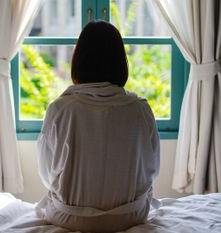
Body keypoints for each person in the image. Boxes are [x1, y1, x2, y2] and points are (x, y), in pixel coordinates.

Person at [36, 20, 160, 233]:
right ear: (121, 61)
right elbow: (152, 171)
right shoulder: (140, 108)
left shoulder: (61, 109)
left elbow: (47, 174)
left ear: (78, 60)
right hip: (130, 216)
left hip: (70, 218)